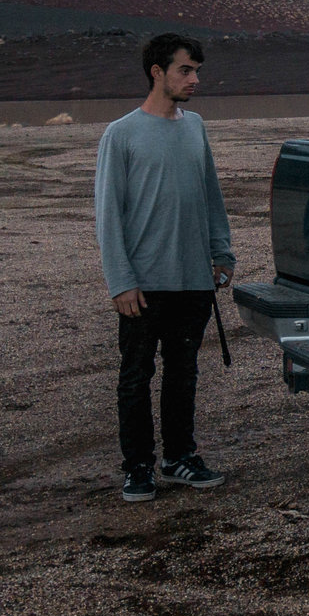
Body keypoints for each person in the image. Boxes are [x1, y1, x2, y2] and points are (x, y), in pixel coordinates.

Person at [96, 33, 237, 503]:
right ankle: (138, 467)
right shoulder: (121, 134)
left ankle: (180, 458)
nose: (195, 79)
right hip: (143, 284)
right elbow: (107, 215)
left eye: (196, 70)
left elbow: (211, 196)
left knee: (184, 372)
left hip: (193, 278)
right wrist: (121, 281)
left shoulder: (195, 126)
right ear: (157, 72)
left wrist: (222, 253)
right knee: (136, 376)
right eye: (185, 70)